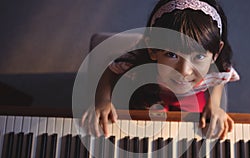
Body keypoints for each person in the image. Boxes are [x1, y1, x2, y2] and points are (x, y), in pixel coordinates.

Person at [81, 0, 240, 139]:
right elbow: (110, 71)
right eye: (172, 55)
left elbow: (218, 80)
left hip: (193, 101)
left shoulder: (217, 69)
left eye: (198, 57)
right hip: (150, 93)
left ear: (215, 54)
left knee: (193, 128)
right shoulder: (136, 65)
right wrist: (102, 100)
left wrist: (214, 104)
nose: (184, 71)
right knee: (145, 127)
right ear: (153, 49)